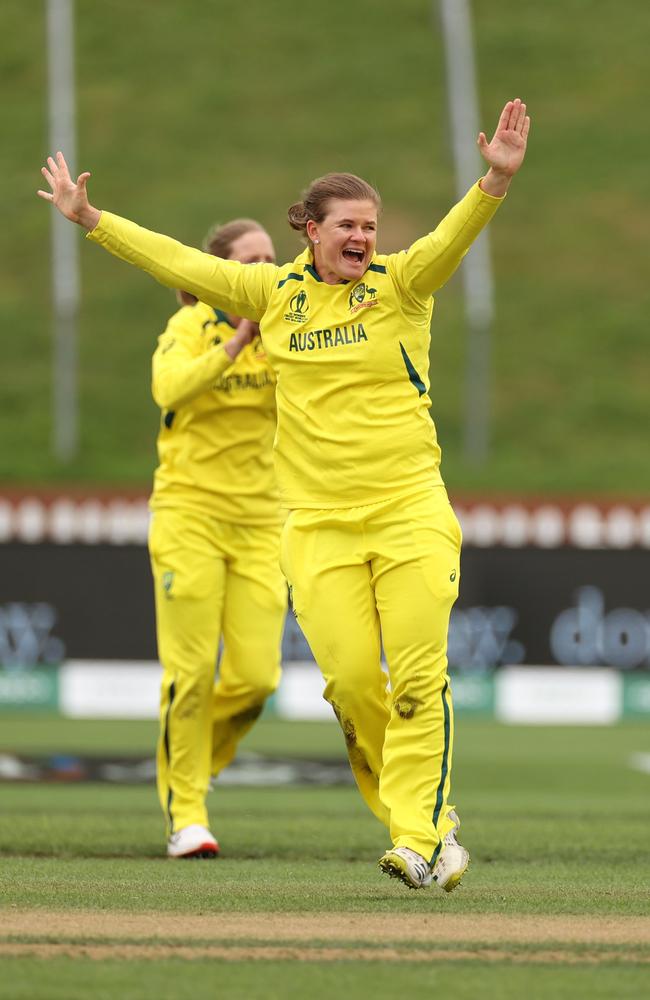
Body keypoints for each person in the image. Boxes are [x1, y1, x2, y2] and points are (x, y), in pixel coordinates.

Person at [39, 98, 530, 889]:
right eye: (347, 226)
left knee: (416, 678)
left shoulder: (403, 285)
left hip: (408, 514)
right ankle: (433, 828)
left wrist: (494, 182)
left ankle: (419, 836)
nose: (363, 239)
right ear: (312, 228)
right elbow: (178, 263)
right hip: (316, 529)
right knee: (347, 685)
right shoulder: (272, 298)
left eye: (370, 226)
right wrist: (92, 218)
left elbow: (451, 238)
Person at [151, 218, 286, 858]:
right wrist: (234, 344)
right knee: (191, 671)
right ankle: (188, 813)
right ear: (221, 269)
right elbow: (167, 389)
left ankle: (193, 763)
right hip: (190, 515)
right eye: (250, 259)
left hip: (262, 522)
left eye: (271, 257)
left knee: (258, 678)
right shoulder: (190, 326)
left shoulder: (289, 325)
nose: (265, 269)